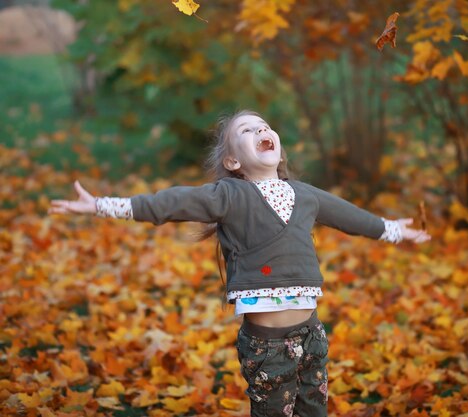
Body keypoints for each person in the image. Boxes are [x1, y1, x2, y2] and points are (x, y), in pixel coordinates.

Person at [48, 110, 431, 417]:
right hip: (267, 345)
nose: (261, 130)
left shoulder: (304, 195)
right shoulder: (228, 195)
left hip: (312, 335)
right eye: (248, 130)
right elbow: (169, 203)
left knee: (314, 410)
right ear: (232, 160)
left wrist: (393, 230)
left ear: (278, 151)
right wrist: (102, 205)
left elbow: (350, 217)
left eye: (265, 126)